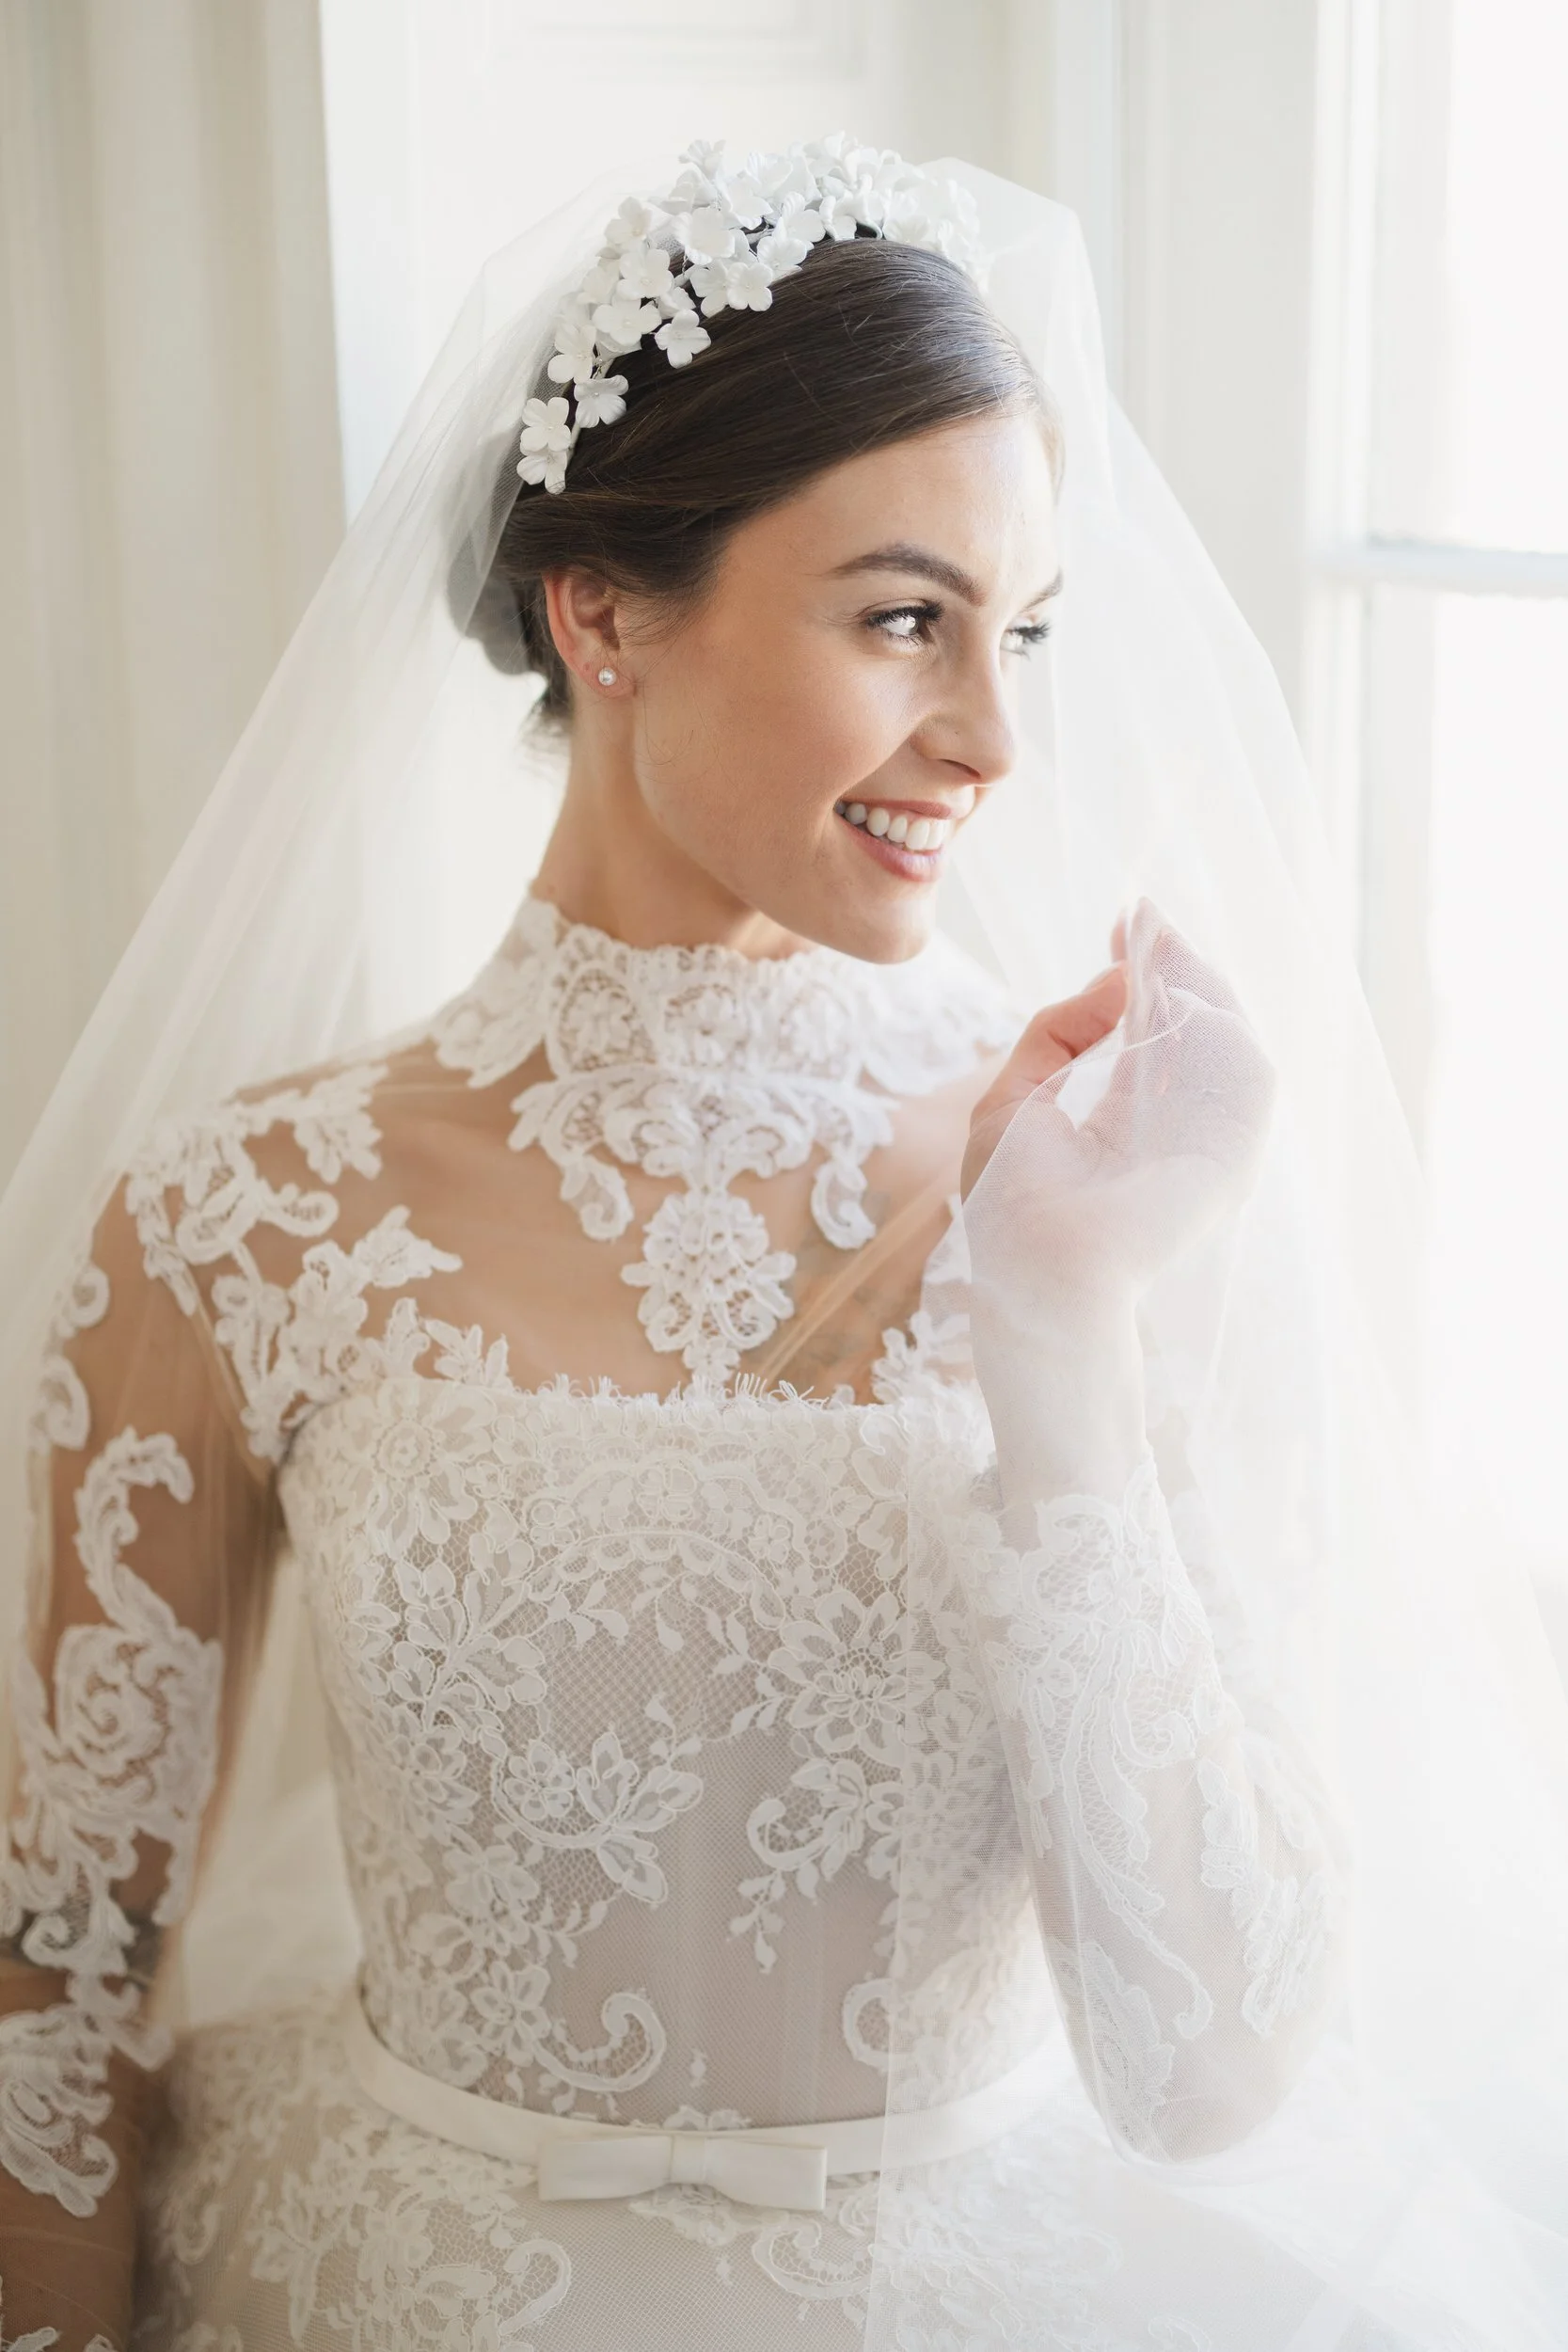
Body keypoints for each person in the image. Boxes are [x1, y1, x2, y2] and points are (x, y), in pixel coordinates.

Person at [1, 138, 1564, 2351]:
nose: (996, 734)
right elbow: (61, 1970)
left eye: (1019, 631)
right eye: (903, 617)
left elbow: (1208, 2067)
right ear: (604, 609)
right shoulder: (242, 1220)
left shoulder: (1101, 1185)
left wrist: (1056, 1326)